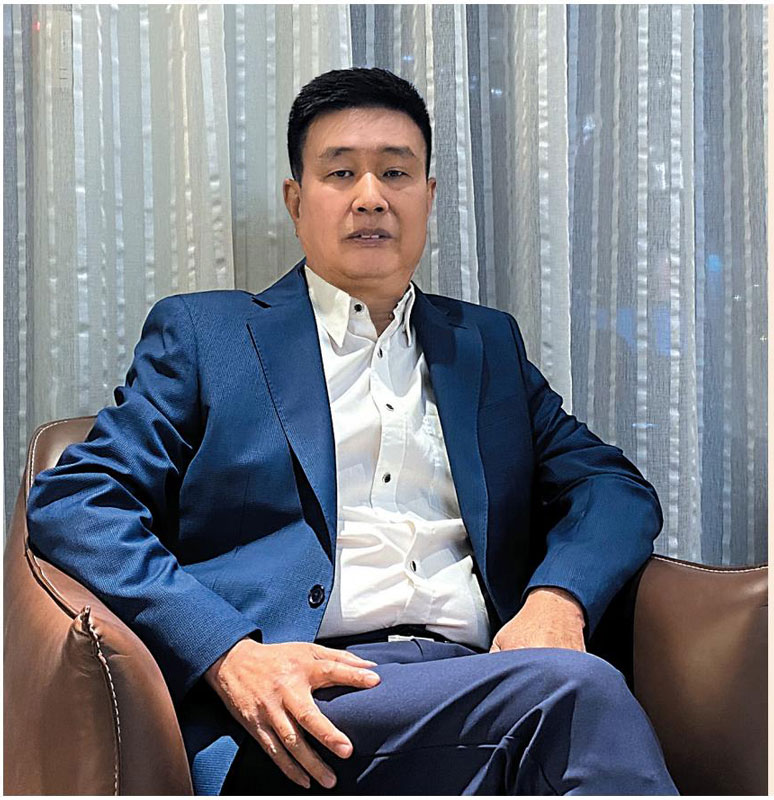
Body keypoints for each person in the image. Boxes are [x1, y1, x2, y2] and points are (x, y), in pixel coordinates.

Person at [26, 67, 678, 795]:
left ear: (428, 196)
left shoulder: (485, 346)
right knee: (581, 697)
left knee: (567, 698)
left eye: (396, 172)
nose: (371, 195)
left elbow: (610, 487)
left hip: (487, 679)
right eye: (341, 173)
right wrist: (227, 651)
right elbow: (78, 501)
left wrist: (559, 599)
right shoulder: (211, 337)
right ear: (297, 201)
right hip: (305, 700)